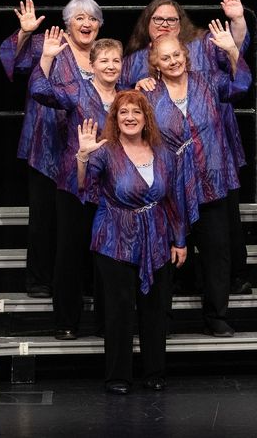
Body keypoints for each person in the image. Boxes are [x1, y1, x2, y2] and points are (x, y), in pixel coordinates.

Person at [122, 0, 253, 295]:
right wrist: (133, 86)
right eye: (158, 19)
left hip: (211, 155)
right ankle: (174, 289)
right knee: (171, 237)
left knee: (219, 232)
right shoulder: (136, 65)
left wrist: (237, 24)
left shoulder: (203, 50)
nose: (165, 23)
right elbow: (120, 104)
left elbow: (238, 71)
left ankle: (223, 296)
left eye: (172, 19)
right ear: (147, 23)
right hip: (166, 170)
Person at [140, 22, 251, 337]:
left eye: (177, 54)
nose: (173, 61)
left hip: (210, 181)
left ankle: (216, 316)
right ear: (156, 64)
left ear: (185, 55)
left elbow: (241, 85)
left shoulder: (208, 82)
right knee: (164, 255)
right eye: (166, 58)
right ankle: (161, 318)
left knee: (217, 252)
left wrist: (231, 50)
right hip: (168, 189)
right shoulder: (147, 93)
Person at [74, 94, 187, 395]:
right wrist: (83, 157)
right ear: (115, 118)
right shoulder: (105, 152)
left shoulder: (164, 154)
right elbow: (84, 189)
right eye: (123, 112)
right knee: (119, 310)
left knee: (155, 309)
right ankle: (118, 376)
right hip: (114, 240)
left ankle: (154, 372)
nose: (130, 117)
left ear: (146, 117)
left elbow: (173, 199)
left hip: (158, 239)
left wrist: (180, 240)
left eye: (136, 111)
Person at [0, 0, 102, 298]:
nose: (87, 24)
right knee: (45, 216)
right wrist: (25, 34)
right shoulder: (50, 41)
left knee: (83, 218)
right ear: (68, 23)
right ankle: (40, 280)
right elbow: (14, 63)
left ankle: (81, 281)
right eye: (80, 18)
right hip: (47, 143)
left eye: (93, 19)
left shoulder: (102, 53)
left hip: (87, 149)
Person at [28, 27, 118, 341]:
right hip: (74, 184)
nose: (110, 66)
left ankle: (108, 323)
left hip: (112, 188)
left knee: (109, 258)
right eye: (104, 60)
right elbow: (40, 91)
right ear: (91, 64)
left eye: (116, 61)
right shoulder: (75, 90)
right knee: (69, 255)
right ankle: (66, 321)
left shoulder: (128, 95)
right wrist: (47, 58)